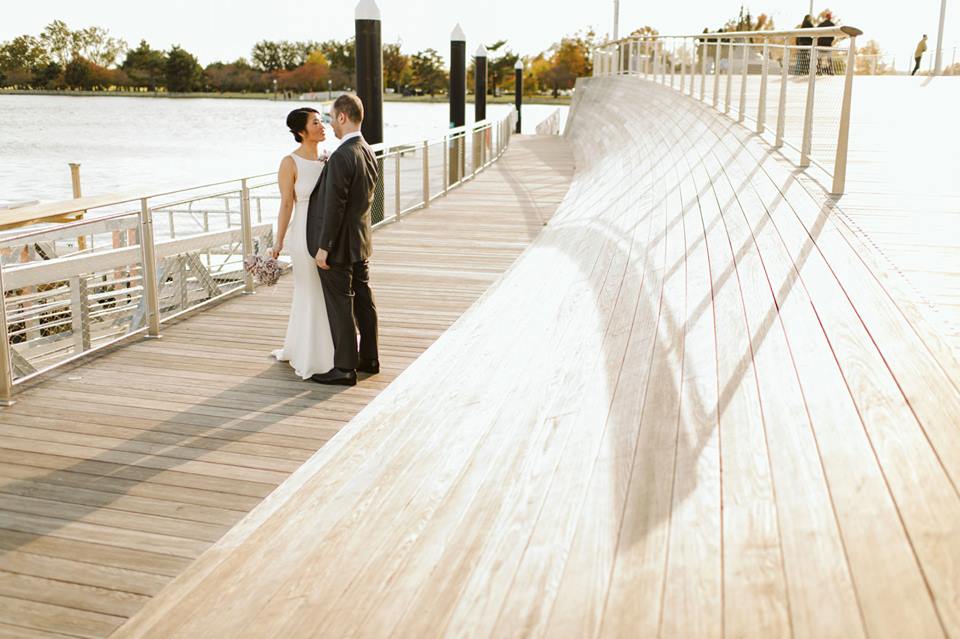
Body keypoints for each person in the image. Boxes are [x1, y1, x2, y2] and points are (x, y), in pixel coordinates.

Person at [307, 94, 380, 387]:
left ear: (342, 117)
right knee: (363, 300)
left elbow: (334, 206)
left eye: (330, 117)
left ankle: (345, 368)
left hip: (339, 245)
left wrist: (324, 247)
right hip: (360, 241)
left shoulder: (341, 155)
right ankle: (370, 359)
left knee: (340, 304)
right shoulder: (367, 150)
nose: (329, 124)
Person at [270, 108, 336, 380]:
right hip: (303, 233)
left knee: (326, 290)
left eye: (322, 121)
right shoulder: (290, 162)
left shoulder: (327, 158)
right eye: (316, 123)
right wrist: (279, 241)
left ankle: (329, 349)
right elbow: (286, 203)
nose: (322, 126)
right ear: (301, 132)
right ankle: (312, 355)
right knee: (309, 290)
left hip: (327, 234)